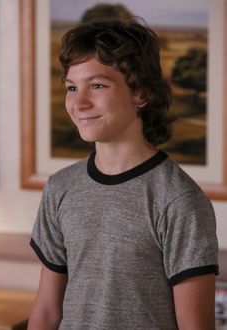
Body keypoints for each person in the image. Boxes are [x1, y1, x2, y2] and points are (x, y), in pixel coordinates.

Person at [28, 20, 219, 330]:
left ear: (141, 93)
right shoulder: (60, 188)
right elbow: (48, 310)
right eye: (72, 87)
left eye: (98, 85)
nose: (79, 103)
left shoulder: (179, 201)